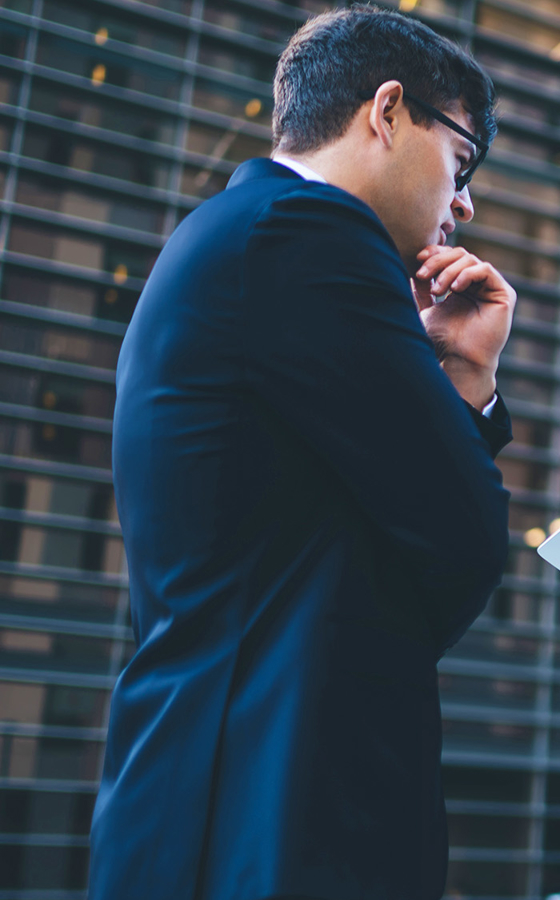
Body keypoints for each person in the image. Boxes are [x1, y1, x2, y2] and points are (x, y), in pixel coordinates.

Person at [89, 7, 516, 899]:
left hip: (221, 782)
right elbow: (464, 537)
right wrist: (466, 400)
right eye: (462, 160)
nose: (465, 200)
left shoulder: (241, 230)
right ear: (387, 111)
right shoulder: (309, 237)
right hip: (265, 804)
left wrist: (465, 378)